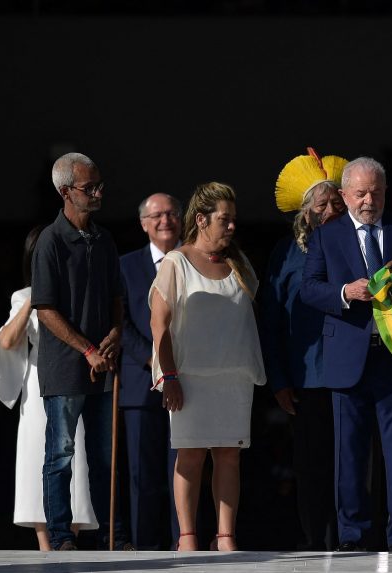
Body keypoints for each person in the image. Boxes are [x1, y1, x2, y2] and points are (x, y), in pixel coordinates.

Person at [301, 156, 392, 552]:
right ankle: (353, 537)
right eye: (359, 193)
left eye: (375, 192)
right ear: (344, 194)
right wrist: (344, 293)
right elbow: (309, 288)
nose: (368, 201)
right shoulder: (327, 235)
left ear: (385, 191)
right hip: (349, 356)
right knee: (350, 456)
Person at [149, 182, 266, 552]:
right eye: (223, 219)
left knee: (229, 454)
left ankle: (226, 536)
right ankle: (188, 537)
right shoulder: (176, 261)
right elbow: (159, 324)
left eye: (233, 220)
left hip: (233, 376)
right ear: (201, 220)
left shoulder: (240, 262)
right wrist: (169, 377)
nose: (231, 226)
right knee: (191, 454)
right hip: (189, 377)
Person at [30, 152, 128, 550]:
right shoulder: (50, 241)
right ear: (65, 192)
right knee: (61, 455)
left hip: (101, 363)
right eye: (90, 188)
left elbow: (118, 297)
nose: (98, 193)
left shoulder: (104, 239)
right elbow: (45, 309)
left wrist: (117, 332)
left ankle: (113, 534)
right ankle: (60, 534)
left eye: (100, 184)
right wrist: (88, 348)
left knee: (106, 456)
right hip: (67, 367)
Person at [259, 149, 347, 550]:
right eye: (322, 203)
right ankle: (319, 541)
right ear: (305, 212)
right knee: (312, 466)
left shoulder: (357, 246)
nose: (330, 209)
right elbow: (271, 321)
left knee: (353, 463)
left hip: (354, 373)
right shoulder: (287, 253)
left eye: (336, 202)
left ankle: (354, 540)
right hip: (307, 378)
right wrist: (278, 379)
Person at [0, 225, 97, 551]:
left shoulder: (78, 290)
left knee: (73, 454)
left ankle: (69, 540)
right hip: (38, 384)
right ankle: (45, 547)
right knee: (38, 455)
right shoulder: (23, 296)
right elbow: (8, 341)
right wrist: (37, 295)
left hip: (71, 377)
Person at [119, 193, 182, 550]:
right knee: (142, 475)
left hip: (186, 382)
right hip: (141, 383)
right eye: (157, 215)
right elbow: (121, 322)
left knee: (183, 471)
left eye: (172, 213)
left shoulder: (196, 260)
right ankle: (144, 550)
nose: (165, 220)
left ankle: (182, 542)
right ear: (143, 223)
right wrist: (154, 359)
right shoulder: (126, 266)